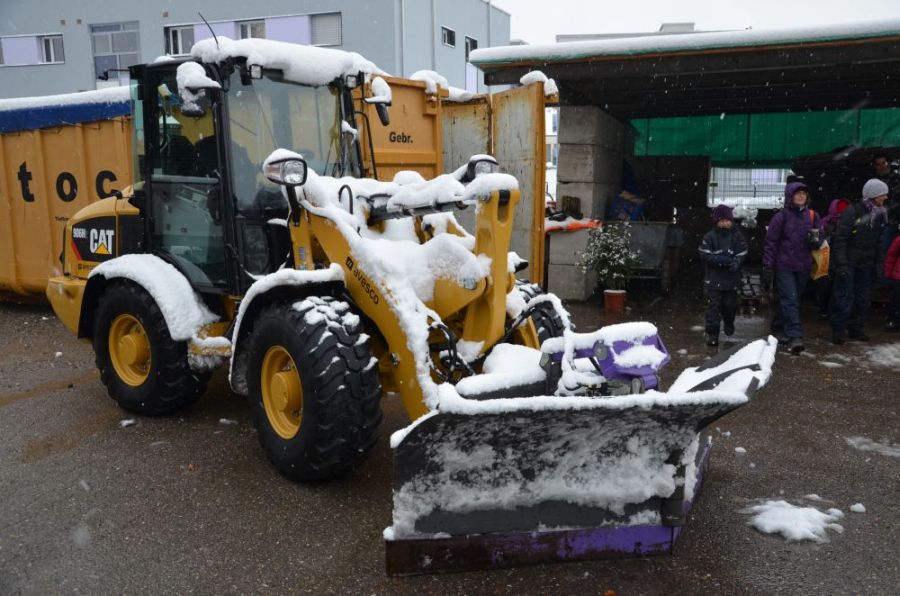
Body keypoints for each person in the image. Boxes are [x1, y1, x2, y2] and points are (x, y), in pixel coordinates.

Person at [762, 181, 821, 354]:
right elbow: (771, 243)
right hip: (784, 266)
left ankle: (777, 328)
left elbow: (821, 235)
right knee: (790, 299)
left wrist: (815, 241)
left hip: (803, 265)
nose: (801, 196)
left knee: (791, 300)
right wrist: (768, 266)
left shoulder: (812, 216)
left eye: (804, 193)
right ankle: (795, 336)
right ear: (790, 196)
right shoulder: (781, 217)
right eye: (798, 193)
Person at [830, 178, 890, 344]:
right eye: (883, 194)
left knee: (863, 297)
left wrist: (878, 265)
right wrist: (841, 264)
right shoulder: (852, 212)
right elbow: (840, 239)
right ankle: (838, 329)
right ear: (873, 195)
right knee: (844, 295)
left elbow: (880, 241)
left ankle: (856, 328)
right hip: (849, 261)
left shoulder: (880, 215)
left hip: (866, 263)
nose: (885, 197)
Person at [699, 205, 748, 347]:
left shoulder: (737, 236)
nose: (725, 223)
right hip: (714, 279)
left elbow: (743, 251)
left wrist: (737, 262)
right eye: (721, 221)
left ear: (731, 221)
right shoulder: (710, 237)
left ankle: (729, 321)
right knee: (713, 307)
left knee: (729, 305)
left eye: (727, 220)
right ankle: (713, 334)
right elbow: (704, 254)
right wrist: (723, 261)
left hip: (731, 279)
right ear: (716, 222)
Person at [814, 198, 851, 319]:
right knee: (824, 287)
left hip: (839, 260)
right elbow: (818, 239)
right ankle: (823, 309)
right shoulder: (825, 223)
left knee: (837, 287)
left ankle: (833, 311)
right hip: (825, 259)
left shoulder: (849, 223)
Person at [885, 229, 900, 332]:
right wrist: (888, 273)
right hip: (898, 276)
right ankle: (894, 320)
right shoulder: (898, 240)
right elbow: (891, 256)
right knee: (895, 301)